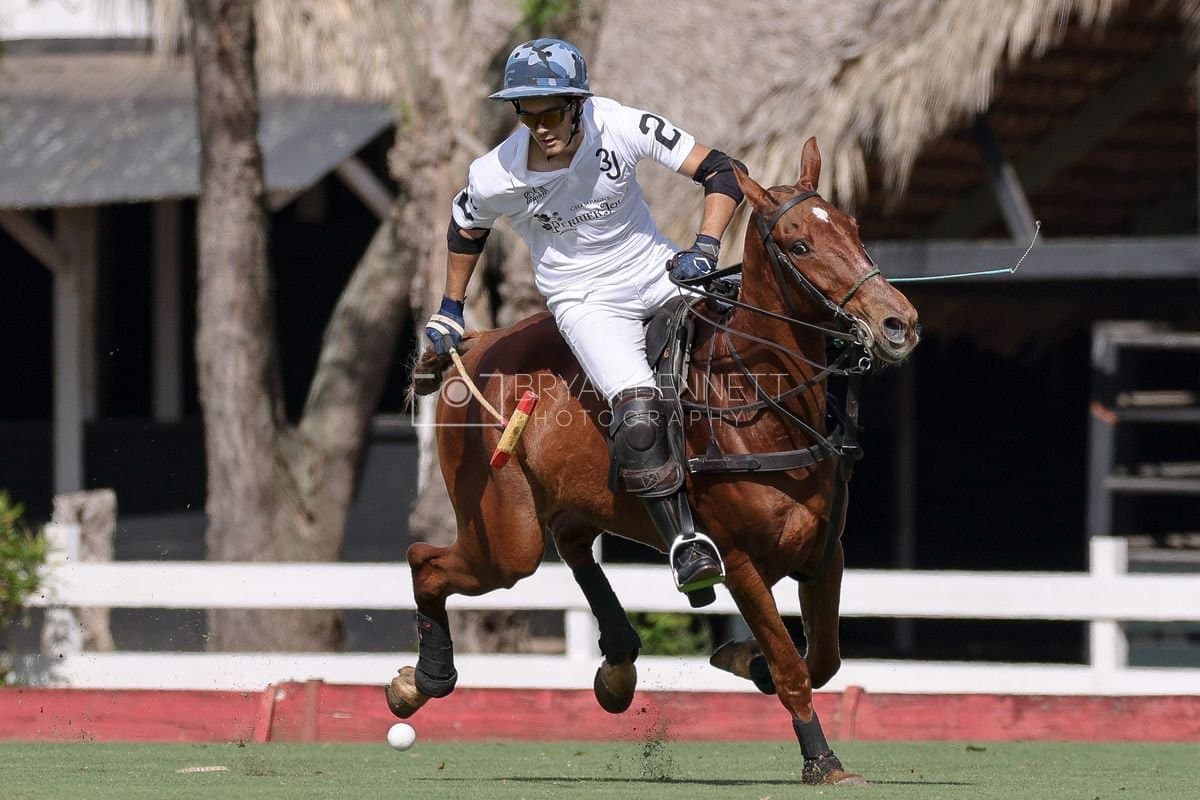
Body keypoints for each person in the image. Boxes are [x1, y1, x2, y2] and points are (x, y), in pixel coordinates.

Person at [423, 37, 746, 602]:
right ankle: (685, 545)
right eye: (526, 111)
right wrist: (451, 308)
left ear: (579, 103)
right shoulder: (496, 173)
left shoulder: (620, 124)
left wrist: (705, 248)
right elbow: (465, 226)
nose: (539, 125)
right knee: (639, 411)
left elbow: (722, 171)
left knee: (748, 343)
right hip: (586, 300)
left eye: (552, 111)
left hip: (658, 269)